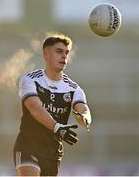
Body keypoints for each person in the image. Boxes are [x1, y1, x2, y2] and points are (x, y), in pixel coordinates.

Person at [13, 33, 92, 176]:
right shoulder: (30, 80)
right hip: (28, 146)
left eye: (66, 52)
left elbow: (83, 110)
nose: (64, 56)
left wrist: (84, 118)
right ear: (46, 54)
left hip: (53, 153)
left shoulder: (74, 89)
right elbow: (35, 108)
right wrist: (57, 127)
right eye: (59, 51)